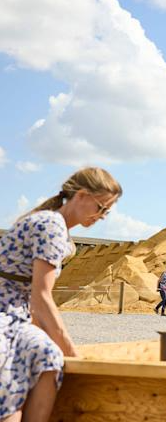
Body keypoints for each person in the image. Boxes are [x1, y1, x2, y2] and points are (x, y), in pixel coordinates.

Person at [0, 167, 122, 422]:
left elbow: (35, 305)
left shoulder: (62, 233)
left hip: (15, 316)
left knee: (48, 356)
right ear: (81, 195)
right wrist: (73, 353)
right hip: (4, 315)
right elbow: (41, 297)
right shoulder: (52, 227)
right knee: (12, 389)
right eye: (100, 207)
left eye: (107, 212)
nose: (101, 216)